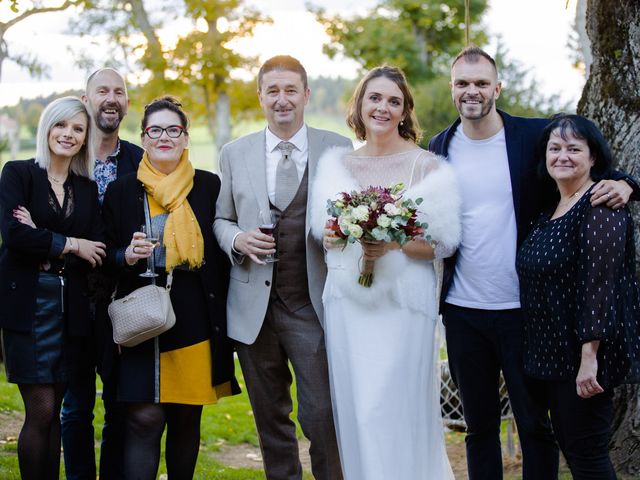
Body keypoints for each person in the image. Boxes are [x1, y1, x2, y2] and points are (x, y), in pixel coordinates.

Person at [428, 45, 638, 480]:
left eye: (482, 83)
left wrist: (628, 184)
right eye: (463, 83)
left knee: (534, 427)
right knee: (478, 426)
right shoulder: (440, 146)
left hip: (525, 313)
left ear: (497, 88)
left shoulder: (532, 137)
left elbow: (583, 159)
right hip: (464, 311)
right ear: (452, 89)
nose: (472, 91)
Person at [310, 65, 460, 479]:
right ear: (359, 104)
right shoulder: (336, 165)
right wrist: (342, 231)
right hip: (349, 303)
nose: (383, 107)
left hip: (403, 304)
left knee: (395, 403)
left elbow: (443, 243)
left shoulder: (426, 167)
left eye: (394, 101)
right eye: (374, 98)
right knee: (358, 407)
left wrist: (392, 241)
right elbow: (323, 236)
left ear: (404, 111)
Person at [214, 55, 352, 480]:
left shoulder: (338, 148)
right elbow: (221, 218)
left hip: (311, 304)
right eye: (272, 90)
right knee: (271, 419)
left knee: (322, 416)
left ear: (306, 95)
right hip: (253, 307)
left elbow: (351, 216)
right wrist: (236, 239)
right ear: (260, 97)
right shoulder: (234, 153)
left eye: (291, 89)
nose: (282, 99)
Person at [102, 96, 239, 479]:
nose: (165, 137)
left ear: (185, 138)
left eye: (173, 130)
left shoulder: (209, 186)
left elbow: (224, 247)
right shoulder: (122, 191)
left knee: (185, 422)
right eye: (156, 130)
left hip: (195, 316)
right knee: (143, 419)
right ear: (144, 138)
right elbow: (105, 254)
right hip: (142, 319)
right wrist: (125, 255)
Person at [516, 114, 640, 480]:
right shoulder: (550, 208)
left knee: (586, 455)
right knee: (569, 449)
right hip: (547, 356)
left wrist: (590, 357)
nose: (563, 156)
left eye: (574, 148)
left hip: (582, 358)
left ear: (593, 158)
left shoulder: (601, 204)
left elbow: (600, 285)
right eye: (555, 148)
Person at [0, 96, 106, 480]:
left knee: (58, 407)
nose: (68, 134)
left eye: (78, 129)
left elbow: (96, 249)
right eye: (61, 125)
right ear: (47, 128)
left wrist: (43, 238)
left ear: (84, 140)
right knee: (41, 410)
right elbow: (13, 236)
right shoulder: (18, 174)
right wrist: (70, 244)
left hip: (71, 311)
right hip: (28, 309)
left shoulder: (87, 188)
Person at [61, 66, 143, 480]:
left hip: (125, 301)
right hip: (73, 299)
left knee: (120, 407)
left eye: (119, 92)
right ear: (86, 98)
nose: (111, 99)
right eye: (102, 91)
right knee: (75, 407)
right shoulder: (65, 157)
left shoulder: (139, 160)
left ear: (126, 102)